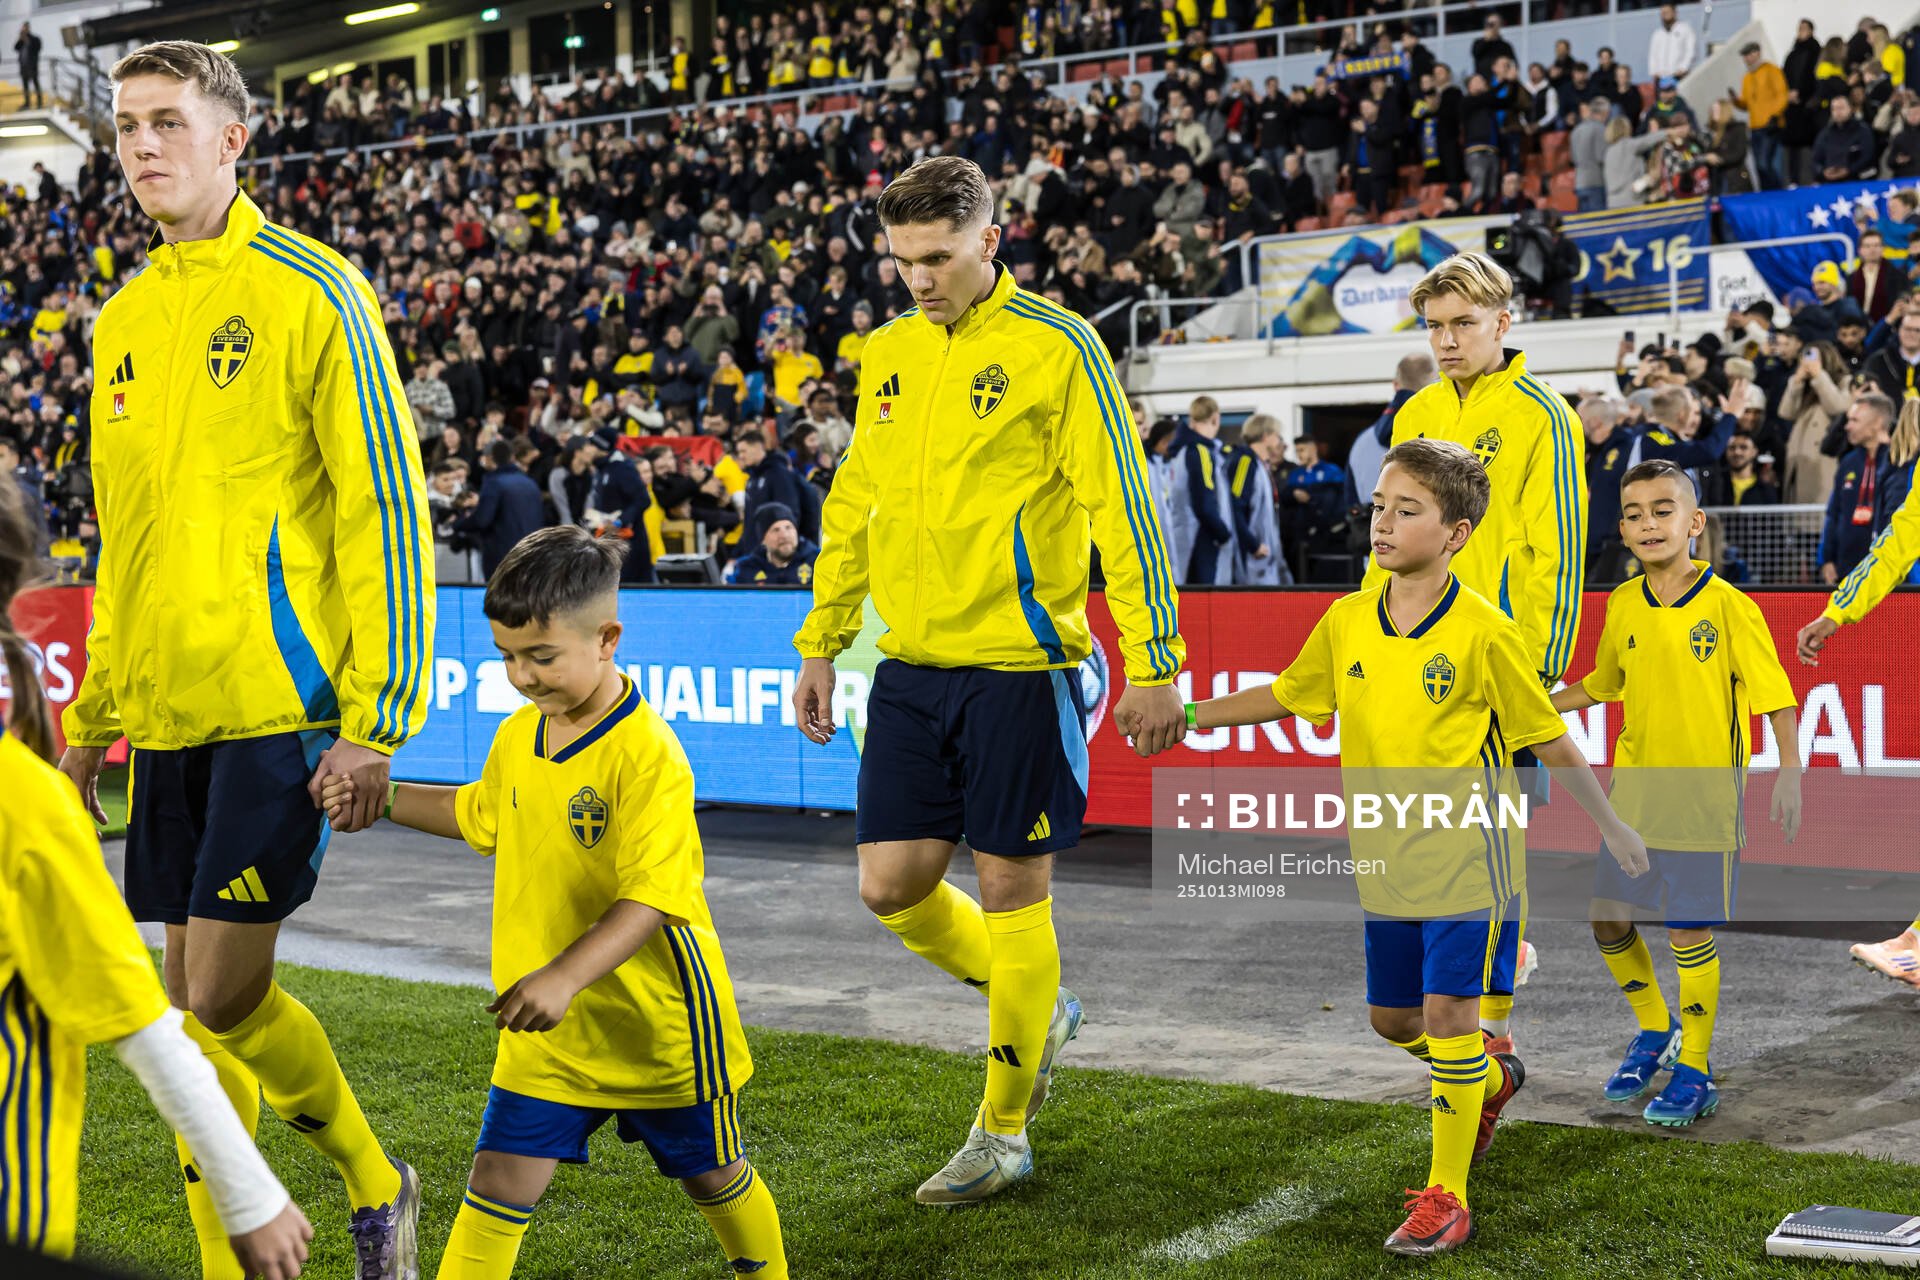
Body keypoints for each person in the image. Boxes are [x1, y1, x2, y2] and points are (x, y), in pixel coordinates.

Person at [57, 42, 432, 1280]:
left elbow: (388, 508)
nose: (142, 146)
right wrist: (95, 717)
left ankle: (376, 1177)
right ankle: (275, 1244)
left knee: (212, 997)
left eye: (167, 121)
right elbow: (127, 545)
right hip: (163, 711)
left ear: (234, 139)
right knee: (188, 1008)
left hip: (280, 702)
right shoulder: (121, 320)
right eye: (124, 128)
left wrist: (381, 714)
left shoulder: (312, 289)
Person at [791, 156, 1186, 1205]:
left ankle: (1002, 1128)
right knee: (892, 884)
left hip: (1024, 666)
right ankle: (1036, 1002)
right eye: (902, 261)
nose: (919, 279)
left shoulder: (1062, 348)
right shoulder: (885, 352)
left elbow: (1123, 511)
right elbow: (853, 505)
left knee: (1014, 889)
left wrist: (1153, 660)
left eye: (937, 257)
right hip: (912, 667)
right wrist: (823, 640)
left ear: (988, 242)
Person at [1191, 439, 1647, 1257]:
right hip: (1386, 857)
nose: (1385, 524)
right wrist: (1185, 718)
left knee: (1444, 1017)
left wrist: (1612, 825)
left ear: (1457, 533)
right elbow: (1289, 696)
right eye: (1379, 508)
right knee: (1391, 1018)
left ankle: (1447, 1197)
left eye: (1408, 511)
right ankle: (1490, 1073)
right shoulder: (1345, 619)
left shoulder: (1485, 631)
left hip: (1473, 858)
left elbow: (1549, 738)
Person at [322, 528, 788, 1279]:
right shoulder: (518, 734)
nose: (522, 676)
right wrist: (385, 798)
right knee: (496, 1180)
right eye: (508, 657)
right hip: (548, 1032)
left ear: (608, 638)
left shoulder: (649, 753)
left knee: (713, 1176)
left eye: (541, 657)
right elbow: (480, 815)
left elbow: (654, 898)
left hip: (657, 1025)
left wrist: (565, 977)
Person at [0, 479, 313, 1277]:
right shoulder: (25, 800)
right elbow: (146, 1030)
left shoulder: (24, 803)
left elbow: (147, 1024)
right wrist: (253, 1198)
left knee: (204, 990)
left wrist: (247, 1195)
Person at [1371, 252, 1587, 1052]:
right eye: (1435, 325)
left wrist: (1536, 676)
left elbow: (1557, 552)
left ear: (1505, 321)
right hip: (1416, 666)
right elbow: (1387, 540)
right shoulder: (1417, 410)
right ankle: (1464, 1031)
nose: (1448, 339)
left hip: (1498, 671)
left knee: (1493, 849)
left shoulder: (1544, 415)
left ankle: (1493, 1043)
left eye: (1464, 323)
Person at [1552, 459, 1801, 1126]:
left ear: (1694, 523)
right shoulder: (1622, 602)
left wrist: (1790, 770)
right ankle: (1653, 1028)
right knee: (1608, 918)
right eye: (1633, 514)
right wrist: (1539, 708)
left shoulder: (1730, 606)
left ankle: (1694, 1068)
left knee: (1688, 930)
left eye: (1663, 510)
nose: (1647, 523)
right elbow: (1604, 683)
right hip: (1632, 799)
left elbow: (1776, 697)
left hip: (1702, 805)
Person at [1818, 393, 1897, 584]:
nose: (1847, 426)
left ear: (1877, 423)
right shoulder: (1848, 462)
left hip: (1890, 571)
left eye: (1854, 420)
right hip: (1847, 569)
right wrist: (1826, 559)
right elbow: (1833, 513)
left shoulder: (1900, 462)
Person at [456, 439, 548, 578]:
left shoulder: (494, 483)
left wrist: (459, 523)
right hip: (531, 554)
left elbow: (482, 520)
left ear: (490, 459)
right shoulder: (529, 482)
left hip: (502, 556)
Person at [1168, 394, 1235, 584]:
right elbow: (1205, 502)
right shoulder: (1200, 452)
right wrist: (1223, 534)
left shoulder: (1180, 450)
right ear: (1215, 418)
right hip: (1201, 539)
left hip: (1183, 538)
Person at [1229, 414, 1289, 586]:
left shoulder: (1260, 464)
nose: (1279, 441)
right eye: (1277, 435)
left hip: (1266, 558)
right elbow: (1235, 506)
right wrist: (1253, 545)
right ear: (1266, 436)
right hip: (1253, 560)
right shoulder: (1245, 462)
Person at [1730, 41, 1788, 189]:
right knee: (1759, 166)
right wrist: (1736, 101)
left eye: (1749, 54)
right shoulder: (1747, 77)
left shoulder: (1771, 70)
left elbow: (1782, 95)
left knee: (1768, 165)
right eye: (1744, 56)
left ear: (1757, 53)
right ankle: (1766, 195)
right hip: (1755, 126)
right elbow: (1747, 104)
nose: (1746, 59)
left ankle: (1777, 193)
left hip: (1770, 125)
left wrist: (1775, 115)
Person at [727, 500, 819, 585]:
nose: (784, 535)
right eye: (776, 530)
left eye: (788, 527)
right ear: (763, 540)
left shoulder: (818, 561)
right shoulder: (746, 568)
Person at [1647, 2, 1697, 80]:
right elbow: (1653, 55)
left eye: (1667, 12)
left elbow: (1691, 51)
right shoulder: (1657, 34)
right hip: (1661, 77)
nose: (1664, 15)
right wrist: (1654, 71)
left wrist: (1683, 69)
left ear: (1674, 13)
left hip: (1679, 75)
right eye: (1662, 13)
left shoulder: (1685, 29)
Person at [14, 22, 42, 110]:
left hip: (32, 66)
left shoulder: (34, 39)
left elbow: (37, 48)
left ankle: (39, 102)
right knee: (25, 86)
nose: (24, 30)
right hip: (23, 66)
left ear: (28, 28)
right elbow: (16, 48)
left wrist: (27, 40)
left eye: (25, 28)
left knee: (35, 83)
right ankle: (27, 103)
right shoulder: (21, 40)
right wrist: (21, 39)